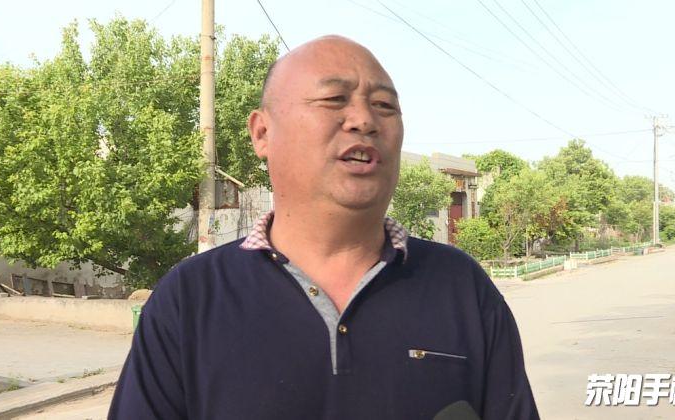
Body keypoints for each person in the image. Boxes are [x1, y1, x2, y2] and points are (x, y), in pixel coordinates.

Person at [109, 35, 539, 419]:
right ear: (262, 132)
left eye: (384, 106)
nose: (364, 120)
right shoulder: (189, 299)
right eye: (335, 99)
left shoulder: (462, 286)